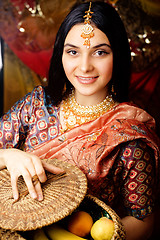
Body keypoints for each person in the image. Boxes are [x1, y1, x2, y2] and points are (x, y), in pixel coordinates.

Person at [0, 1, 159, 239]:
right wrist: (7, 155)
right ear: (60, 54)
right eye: (73, 52)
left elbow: (143, 220)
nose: (84, 67)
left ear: (117, 55)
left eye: (100, 52)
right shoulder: (36, 105)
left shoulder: (129, 134)